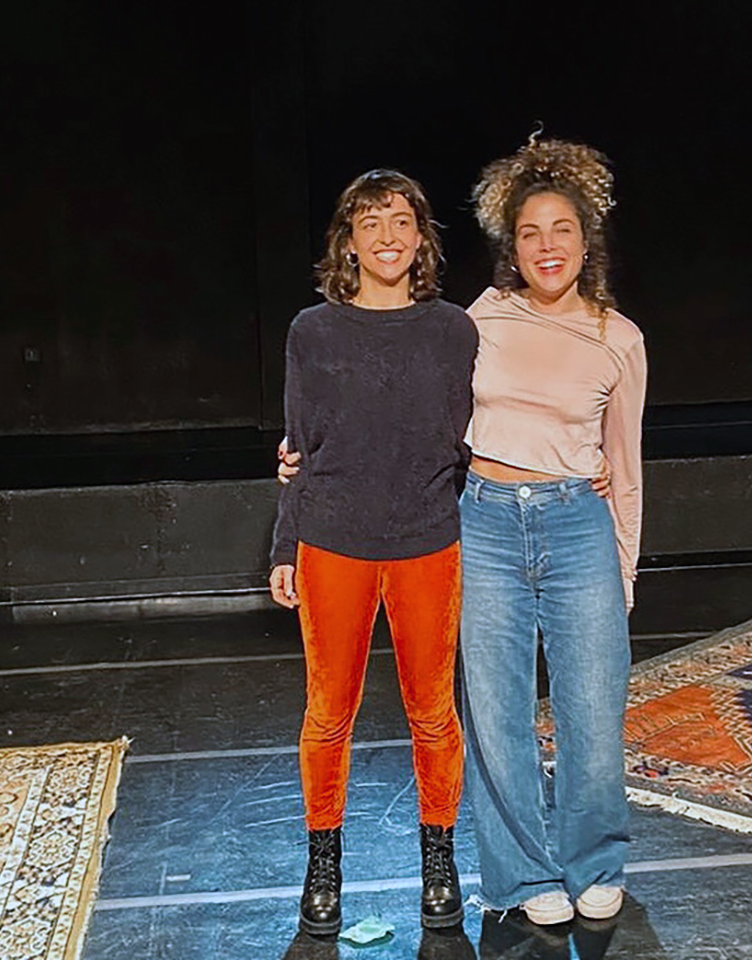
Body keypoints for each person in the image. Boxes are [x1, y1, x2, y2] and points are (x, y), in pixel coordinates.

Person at [268, 169, 477, 936]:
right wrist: (285, 541)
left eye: (400, 222)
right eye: (370, 223)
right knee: (328, 713)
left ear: (421, 237)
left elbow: (468, 439)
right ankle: (323, 864)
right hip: (333, 540)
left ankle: (439, 861)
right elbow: (300, 446)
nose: (387, 237)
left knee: (434, 713)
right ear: (348, 242)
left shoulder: (454, 330)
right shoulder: (312, 332)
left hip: (427, 539)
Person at [461, 137, 646, 926]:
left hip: (578, 526)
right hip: (486, 523)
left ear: (585, 241)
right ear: (511, 246)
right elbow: (419, 417)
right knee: (496, 713)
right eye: (530, 232)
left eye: (560, 230)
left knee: (593, 712)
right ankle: (522, 876)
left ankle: (594, 861)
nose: (546, 246)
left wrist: (624, 569)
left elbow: (625, 466)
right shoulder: (478, 320)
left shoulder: (618, 338)